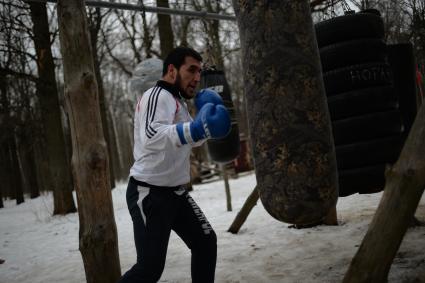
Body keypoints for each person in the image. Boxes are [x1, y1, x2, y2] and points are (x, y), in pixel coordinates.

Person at [118, 46, 231, 283]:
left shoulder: (176, 101)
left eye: (200, 71)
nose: (197, 77)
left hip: (175, 192)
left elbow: (190, 138)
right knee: (149, 268)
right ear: (172, 70)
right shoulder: (156, 95)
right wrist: (196, 128)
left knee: (205, 242)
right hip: (149, 193)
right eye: (191, 70)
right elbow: (152, 135)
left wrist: (207, 126)